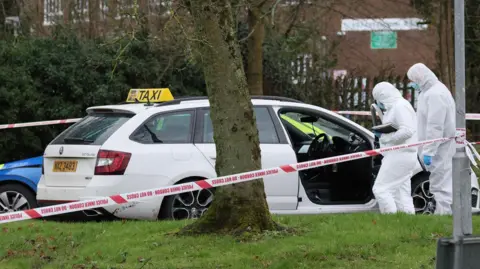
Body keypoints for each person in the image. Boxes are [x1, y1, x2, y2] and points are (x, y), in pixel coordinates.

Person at [407, 63, 456, 215]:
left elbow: (435, 126)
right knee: (438, 182)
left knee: (441, 184)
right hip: (437, 146)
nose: (412, 84)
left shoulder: (436, 94)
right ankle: (442, 214)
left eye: (413, 80)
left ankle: (444, 215)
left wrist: (429, 150)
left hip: (440, 147)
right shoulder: (428, 93)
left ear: (420, 78)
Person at [371, 82, 417, 214]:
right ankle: (407, 223)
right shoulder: (396, 107)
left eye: (378, 99)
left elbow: (407, 131)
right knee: (401, 194)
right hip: (402, 154)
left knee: (381, 189)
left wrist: (388, 138)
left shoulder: (400, 106)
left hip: (400, 154)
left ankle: (389, 220)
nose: (379, 103)